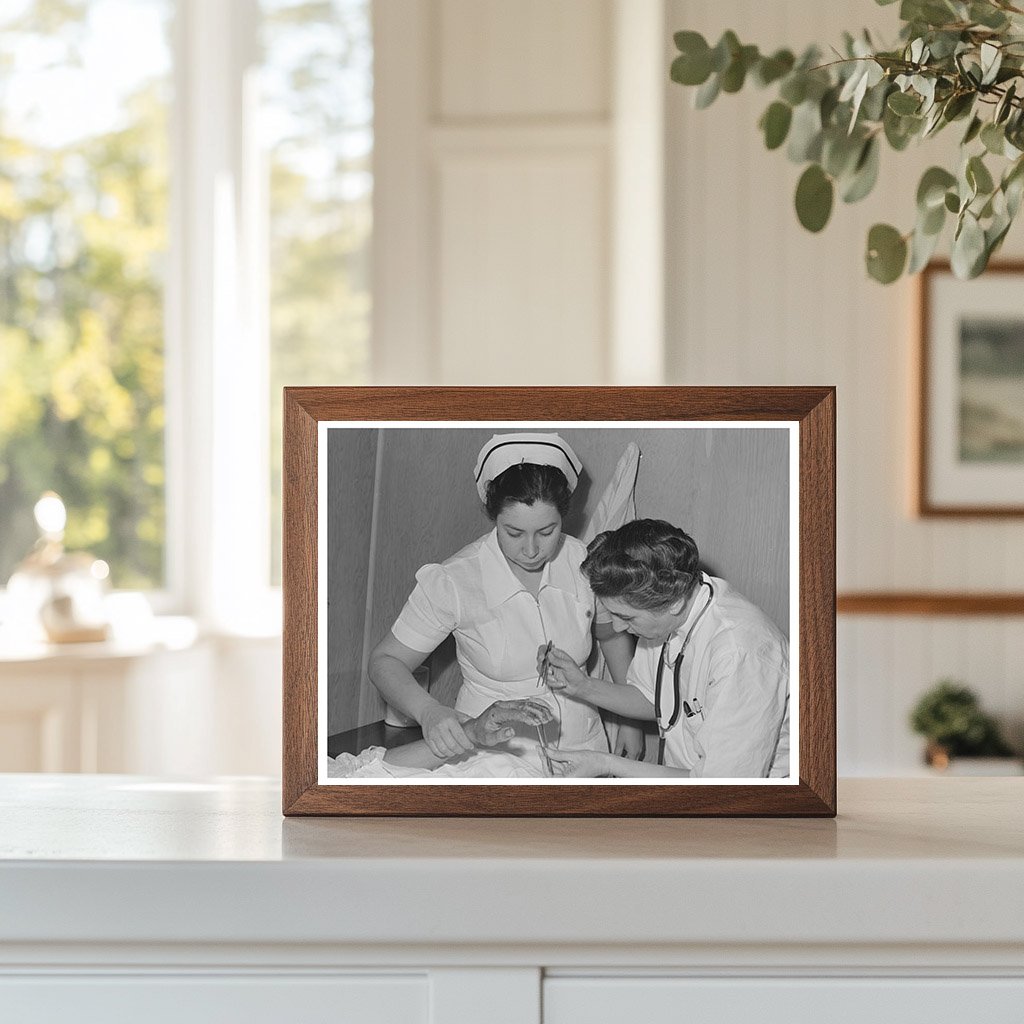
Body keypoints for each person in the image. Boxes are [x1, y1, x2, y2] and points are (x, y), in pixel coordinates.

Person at [368, 433, 640, 762]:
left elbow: (610, 635)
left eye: (547, 531)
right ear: (493, 517)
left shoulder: (584, 561)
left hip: (583, 751)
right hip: (492, 758)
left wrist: (630, 720)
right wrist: (427, 711)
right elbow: (386, 661)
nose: (531, 550)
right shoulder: (454, 580)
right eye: (514, 533)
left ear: (564, 517)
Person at [541, 519, 790, 779]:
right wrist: (582, 686)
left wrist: (607, 764)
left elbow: (721, 786)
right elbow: (653, 699)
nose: (616, 627)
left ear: (674, 603)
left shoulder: (740, 653)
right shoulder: (667, 613)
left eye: (626, 617)